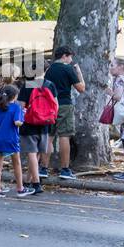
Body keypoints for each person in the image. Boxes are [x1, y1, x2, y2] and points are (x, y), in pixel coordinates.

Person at [43, 46, 85, 178]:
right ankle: (65, 169)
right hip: (64, 105)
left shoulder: (48, 70)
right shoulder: (68, 69)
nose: (71, 59)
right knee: (64, 136)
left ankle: (43, 168)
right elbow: (81, 88)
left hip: (48, 105)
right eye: (70, 56)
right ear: (64, 56)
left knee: (49, 137)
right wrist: (79, 72)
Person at [16, 72, 58, 196]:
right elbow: (56, 105)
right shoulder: (50, 85)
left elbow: (21, 106)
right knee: (38, 152)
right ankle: (28, 181)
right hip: (45, 123)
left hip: (30, 123)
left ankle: (36, 183)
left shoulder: (27, 85)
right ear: (45, 71)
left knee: (31, 153)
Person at [0, 86, 28, 196]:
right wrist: (23, 116)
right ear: (14, 96)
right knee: (17, 162)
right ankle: (20, 188)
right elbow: (17, 122)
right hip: (11, 139)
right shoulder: (16, 107)